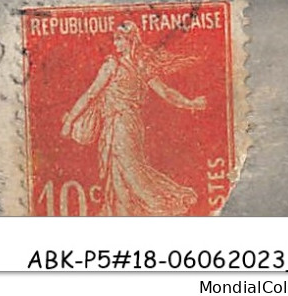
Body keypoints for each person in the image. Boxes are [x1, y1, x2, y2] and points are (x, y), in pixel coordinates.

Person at [60, 21, 207, 215]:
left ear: (130, 40)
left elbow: (164, 91)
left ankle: (151, 206)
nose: (115, 44)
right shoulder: (123, 65)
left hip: (123, 125)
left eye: (119, 39)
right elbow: (91, 94)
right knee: (121, 171)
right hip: (121, 125)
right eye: (115, 39)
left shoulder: (130, 66)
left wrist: (190, 103)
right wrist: (70, 119)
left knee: (130, 170)